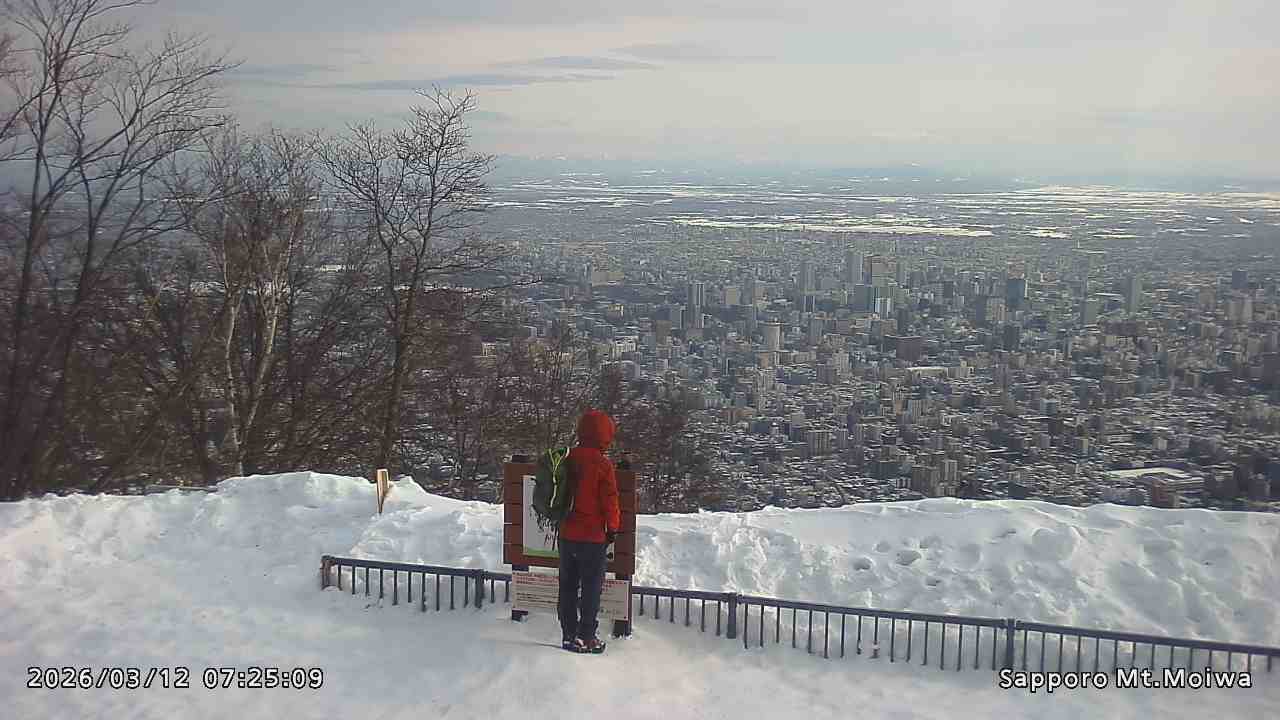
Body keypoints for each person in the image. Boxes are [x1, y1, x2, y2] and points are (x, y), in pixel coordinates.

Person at [557, 408, 621, 653]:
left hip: (566, 535)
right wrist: (613, 528)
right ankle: (586, 636)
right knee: (591, 588)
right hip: (592, 538)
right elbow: (610, 500)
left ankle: (568, 634)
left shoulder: (566, 458)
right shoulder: (602, 465)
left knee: (568, 586)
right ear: (605, 435)